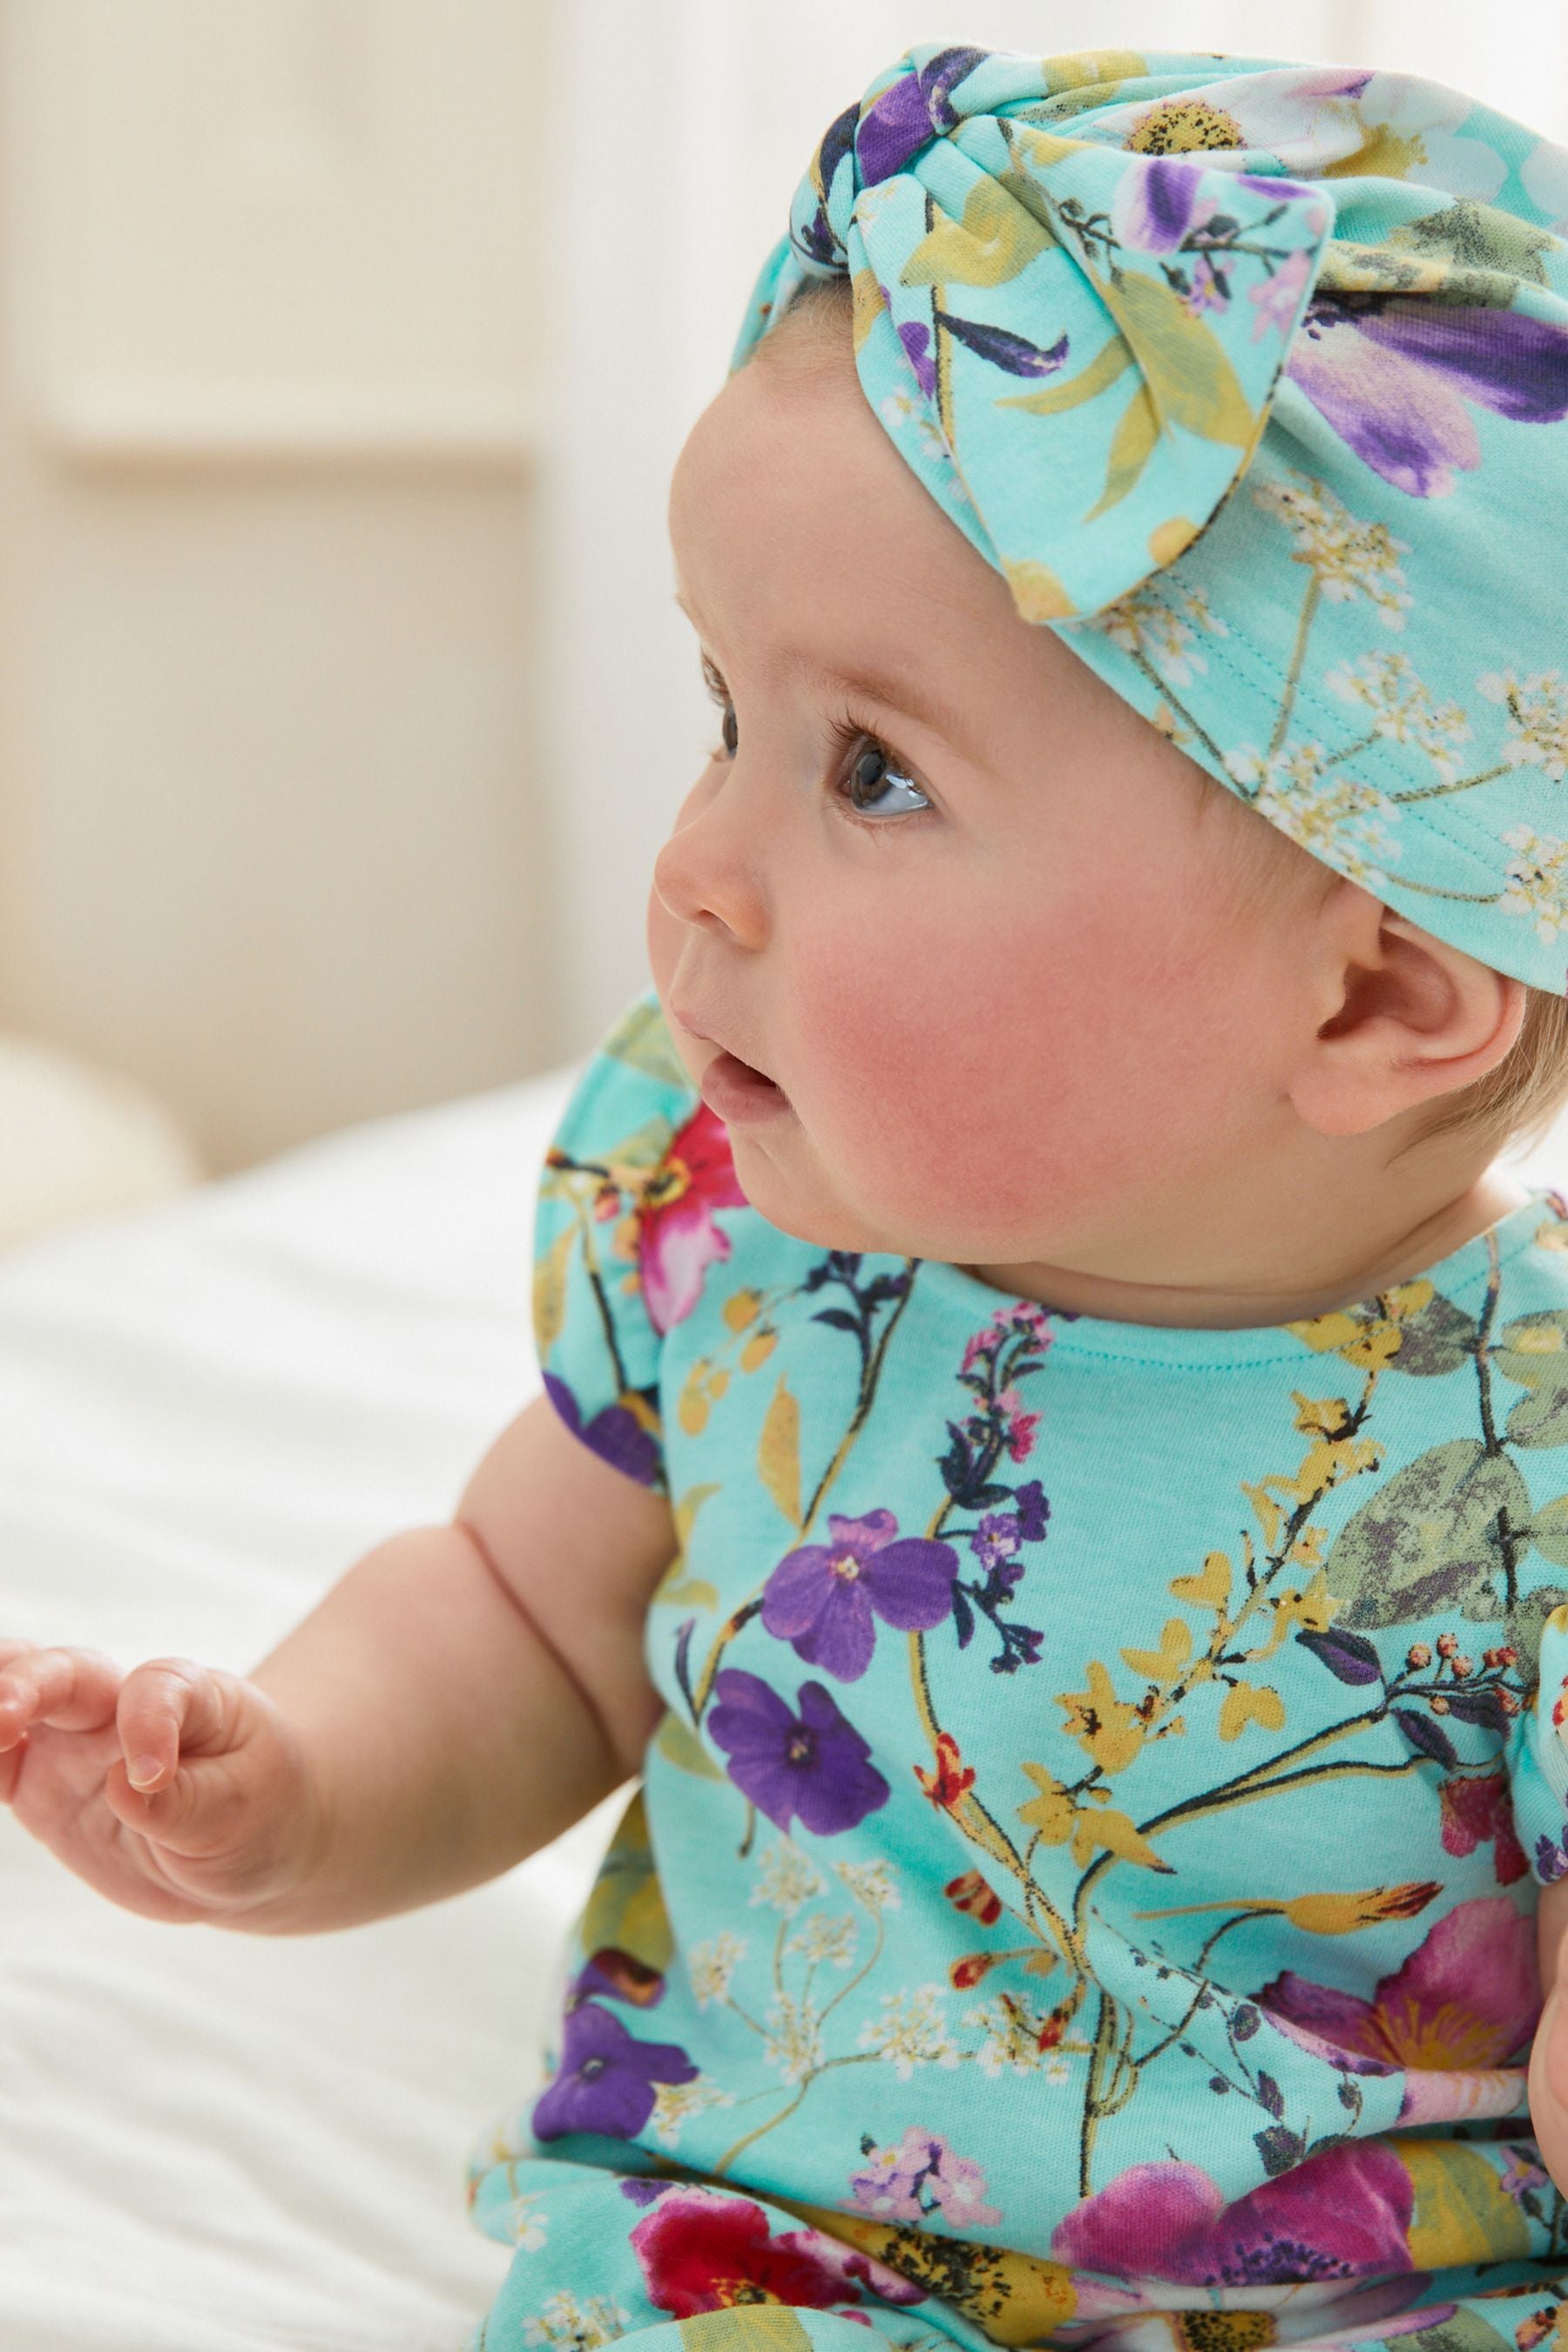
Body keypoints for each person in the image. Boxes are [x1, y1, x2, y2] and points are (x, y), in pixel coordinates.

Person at [10, 40, 1568, 2352]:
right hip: (759, 2263)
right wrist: (302, 1782)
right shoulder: (722, 1225)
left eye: (873, 773)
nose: (697, 863)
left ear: (1372, 1004)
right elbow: (528, 1623)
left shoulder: (1521, 1454)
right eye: (721, 713)